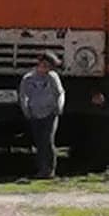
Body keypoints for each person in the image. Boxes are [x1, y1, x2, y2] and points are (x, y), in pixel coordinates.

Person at [19, 51, 65, 179]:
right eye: (43, 65)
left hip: (50, 113)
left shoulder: (52, 77)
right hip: (35, 113)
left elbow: (60, 93)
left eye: (48, 66)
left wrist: (59, 107)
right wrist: (26, 109)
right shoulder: (28, 78)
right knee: (39, 142)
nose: (45, 68)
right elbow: (23, 95)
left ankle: (50, 170)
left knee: (48, 140)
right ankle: (41, 169)